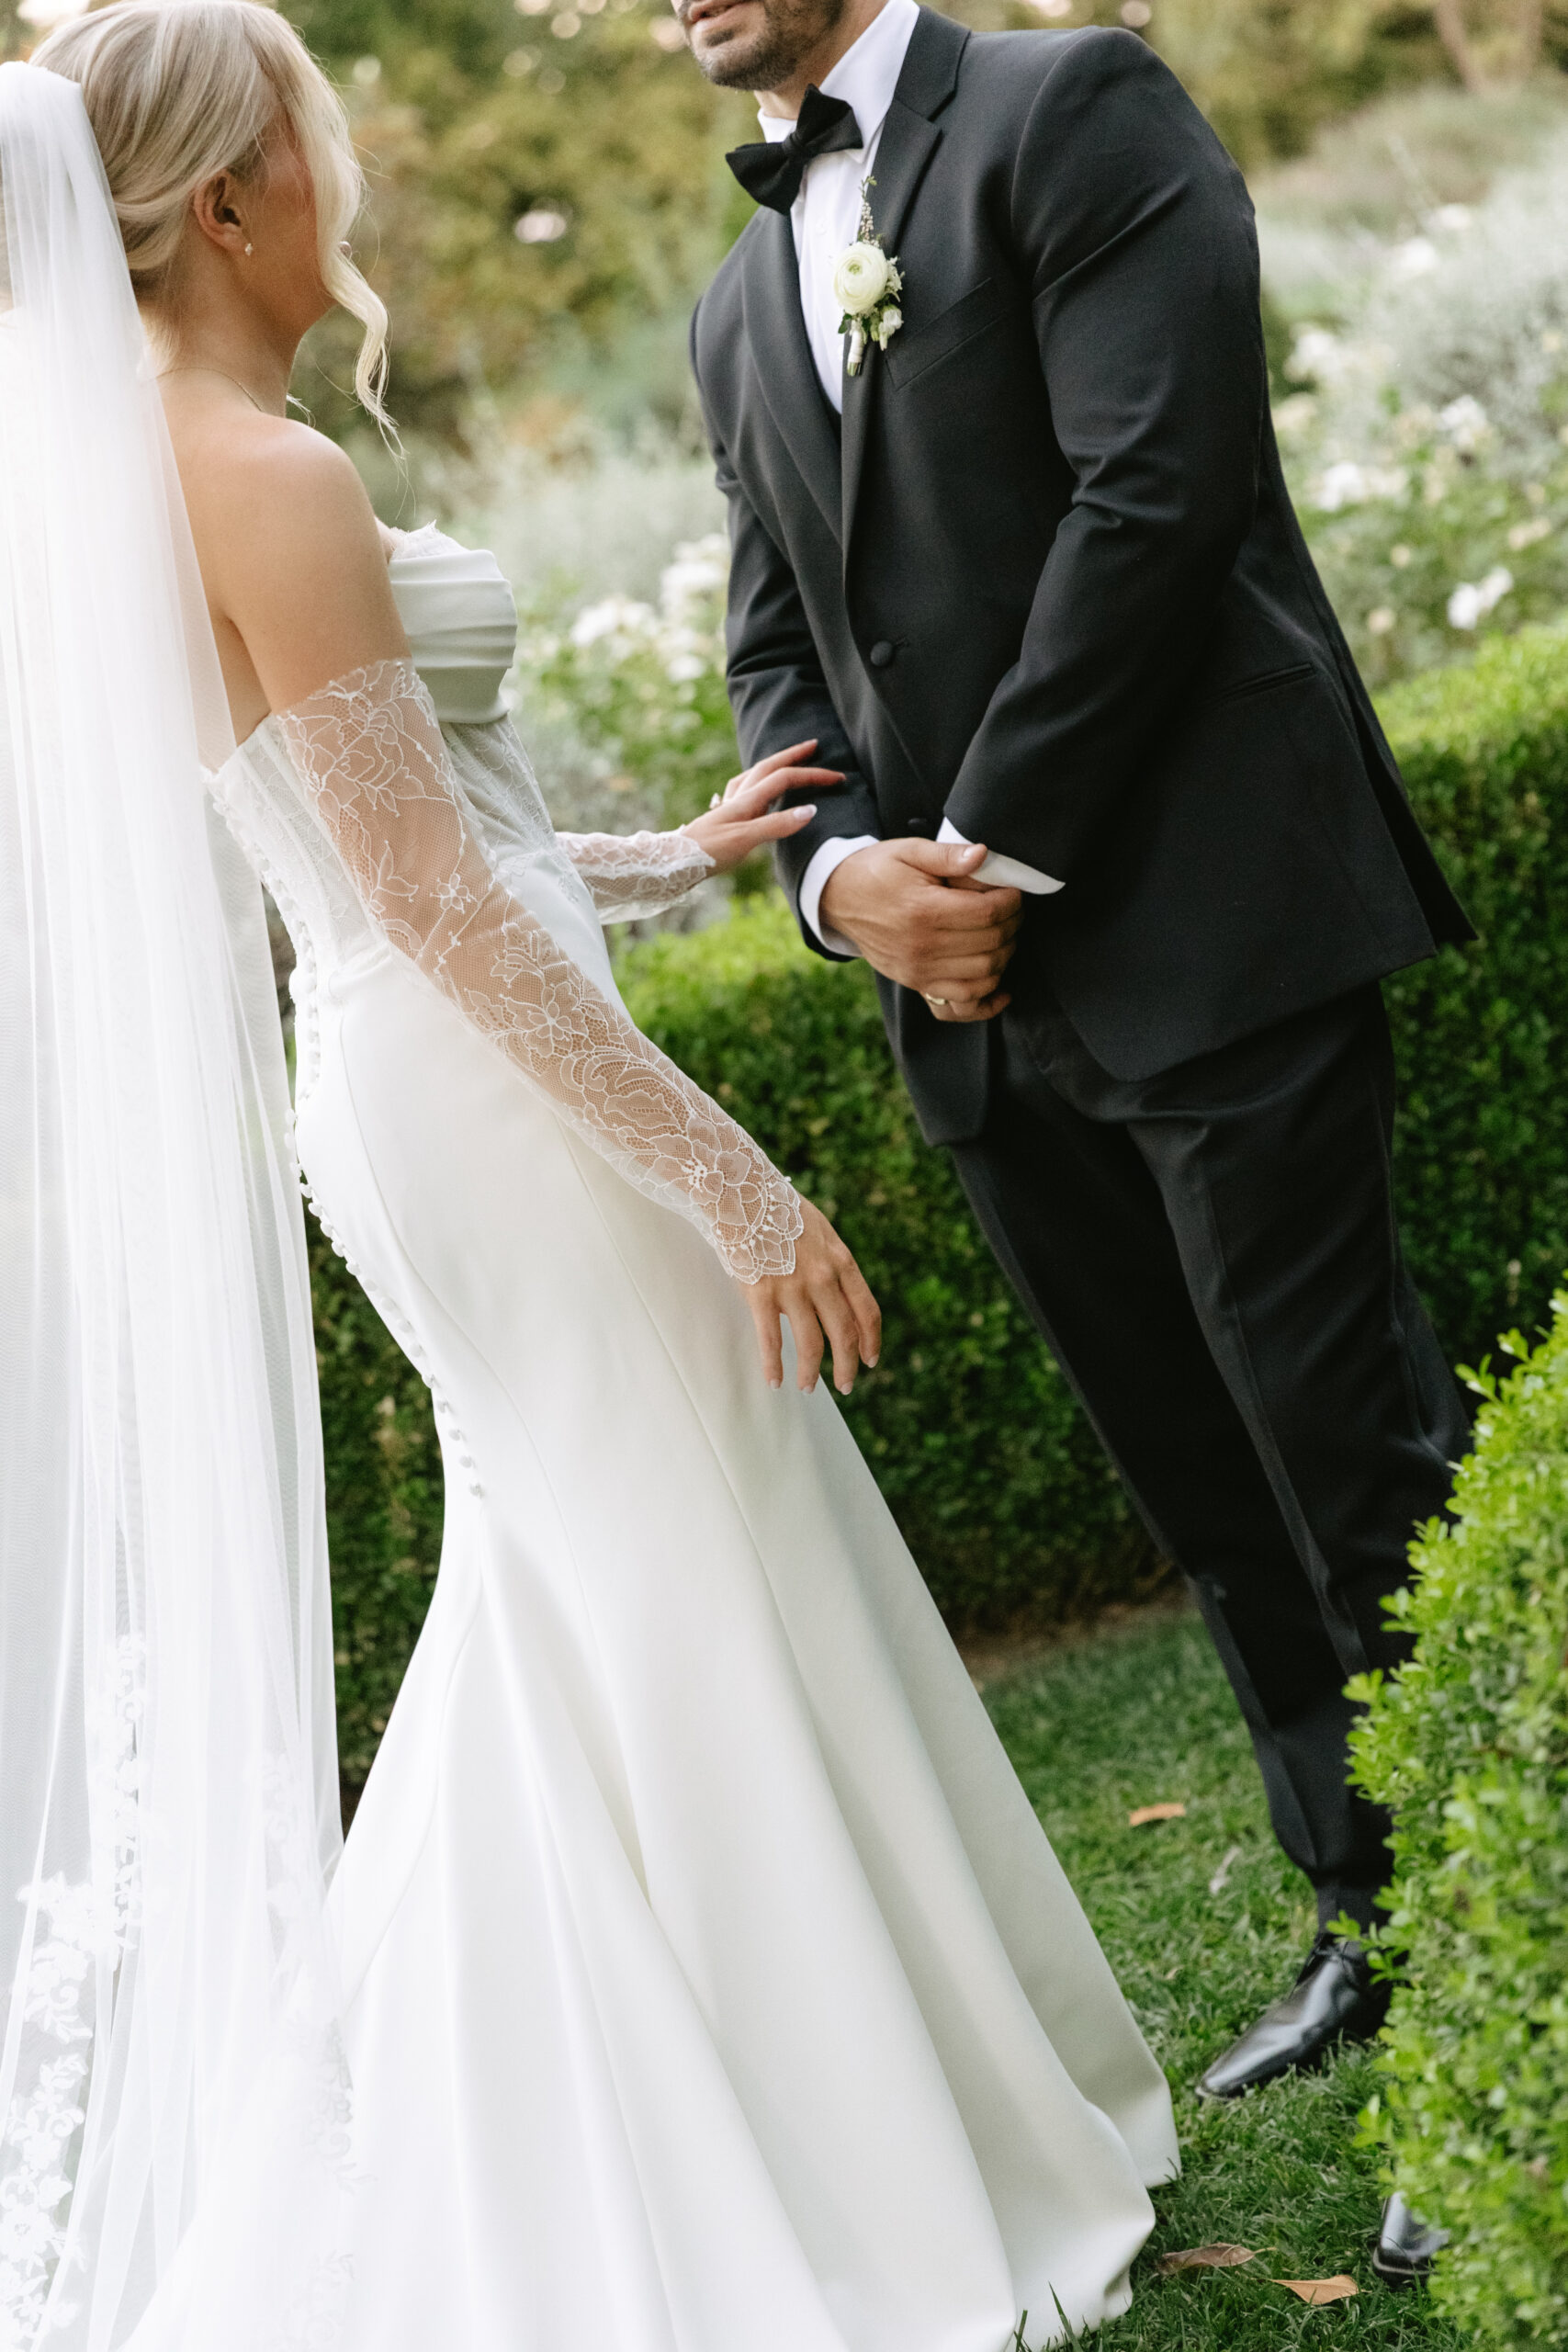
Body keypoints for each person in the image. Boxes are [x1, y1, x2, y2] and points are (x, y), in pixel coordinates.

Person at [0, 7, 1177, 2346]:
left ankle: (667, 2114)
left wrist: (666, 854)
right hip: (485, 1106)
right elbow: (423, 904)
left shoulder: (152, 459)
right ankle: (781, 2175)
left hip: (431, 1076)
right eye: (313, 149)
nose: (339, 190)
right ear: (228, 198)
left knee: (607, 1590)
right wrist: (737, 1172)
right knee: (666, 1588)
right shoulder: (257, 468)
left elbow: (400, 855)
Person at [684, 0, 1475, 2103]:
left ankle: (1506, 1943)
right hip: (972, 1010)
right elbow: (777, 642)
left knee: (1346, 1449)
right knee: (1204, 1489)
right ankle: (1366, 1914)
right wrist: (845, 882)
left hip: (1208, 923)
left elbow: (1153, 491)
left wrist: (984, 854)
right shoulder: (726, 298)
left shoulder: (1073, 105)